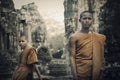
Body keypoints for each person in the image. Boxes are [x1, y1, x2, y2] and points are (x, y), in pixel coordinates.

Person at [68, 10, 106, 80]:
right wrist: (75, 76)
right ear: (80, 20)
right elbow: (72, 57)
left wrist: (101, 70)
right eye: (84, 18)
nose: (87, 20)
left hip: (96, 71)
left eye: (89, 18)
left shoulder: (100, 38)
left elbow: (101, 56)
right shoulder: (74, 37)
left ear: (92, 20)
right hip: (81, 71)